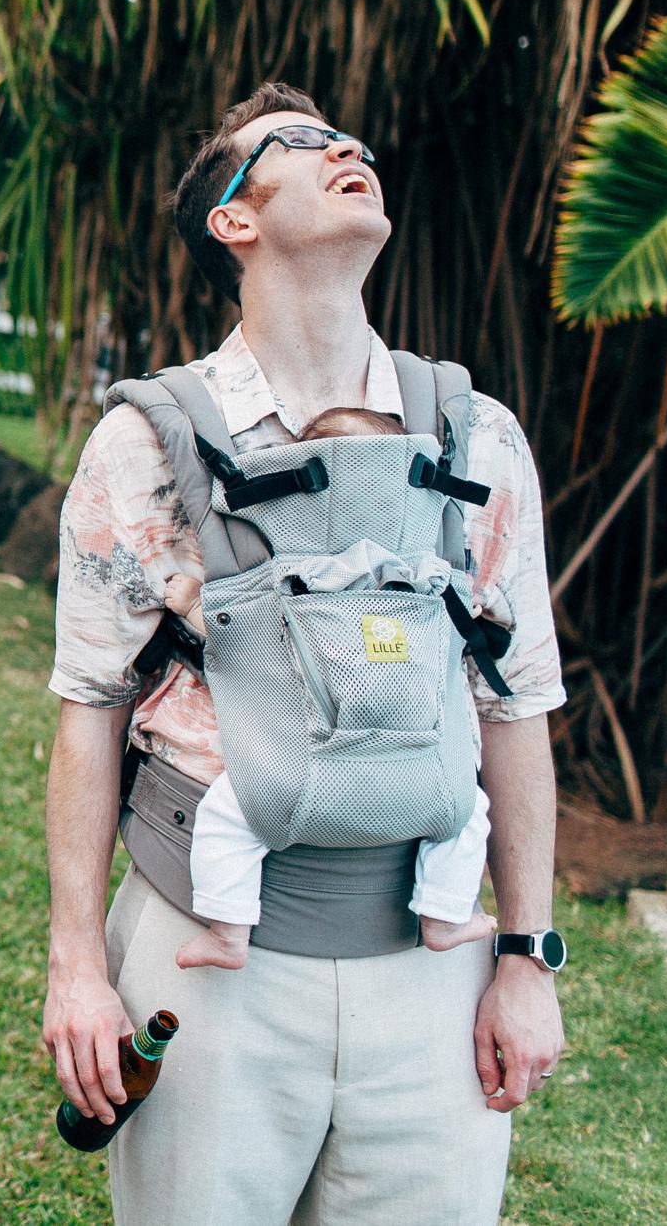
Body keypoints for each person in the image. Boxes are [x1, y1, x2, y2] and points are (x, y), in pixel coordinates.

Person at [42, 84, 567, 1224]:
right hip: (206, 962)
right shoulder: (150, 437)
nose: (347, 151)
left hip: (430, 968)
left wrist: (525, 956)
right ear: (233, 218)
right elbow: (88, 707)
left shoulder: (474, 434)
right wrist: (75, 962)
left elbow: (513, 703)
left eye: (352, 141)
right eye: (302, 144)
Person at [166, 407, 496, 974]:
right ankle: (444, 915)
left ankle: (228, 928)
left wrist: (187, 600)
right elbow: (472, 629)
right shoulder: (428, 576)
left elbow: (234, 631)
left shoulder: (287, 571)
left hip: (294, 779)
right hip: (421, 781)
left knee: (226, 814)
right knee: (471, 813)